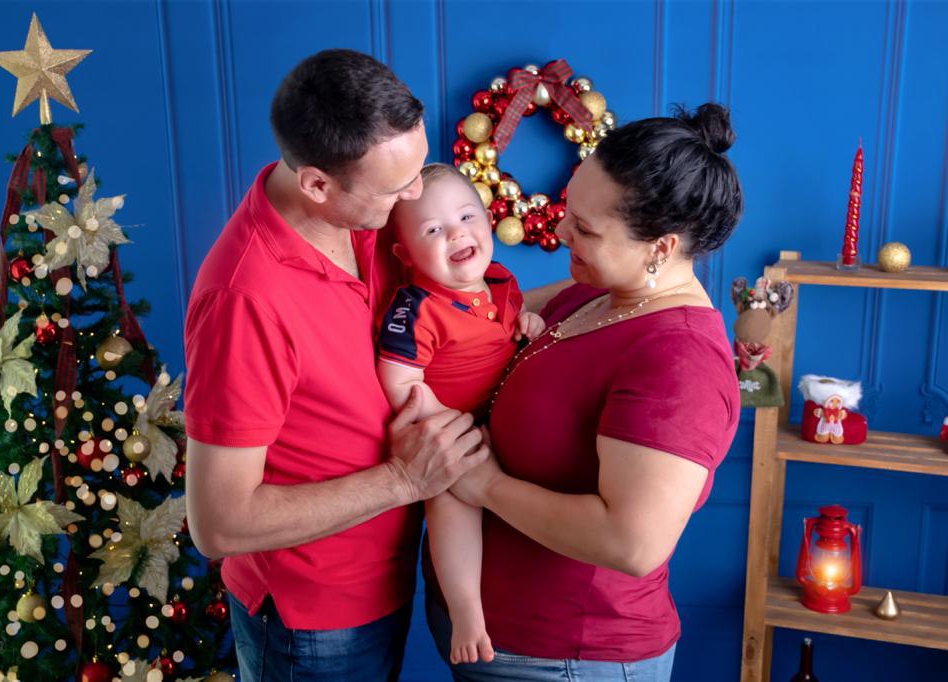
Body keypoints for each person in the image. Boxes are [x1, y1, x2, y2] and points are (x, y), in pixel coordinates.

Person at [182, 49, 491, 682]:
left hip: (388, 574)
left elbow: (459, 297)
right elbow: (217, 523)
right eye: (396, 187)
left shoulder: (364, 215)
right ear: (317, 184)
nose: (415, 195)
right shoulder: (245, 300)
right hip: (312, 620)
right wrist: (404, 480)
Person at [430, 103, 744, 681]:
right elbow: (473, 319)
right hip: (499, 638)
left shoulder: (680, 360)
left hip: (569, 657)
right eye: (570, 211)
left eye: (586, 229)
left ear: (661, 248)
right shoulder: (594, 292)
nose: (561, 231)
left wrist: (485, 485)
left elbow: (632, 542)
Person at [376, 163, 545, 666]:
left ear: (489, 222)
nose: (456, 233)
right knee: (452, 504)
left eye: (467, 216)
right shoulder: (417, 306)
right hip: (451, 426)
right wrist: (441, 420)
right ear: (406, 254)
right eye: (432, 230)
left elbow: (509, 325)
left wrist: (528, 321)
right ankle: (466, 610)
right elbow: (398, 378)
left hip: (502, 421)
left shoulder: (499, 283)